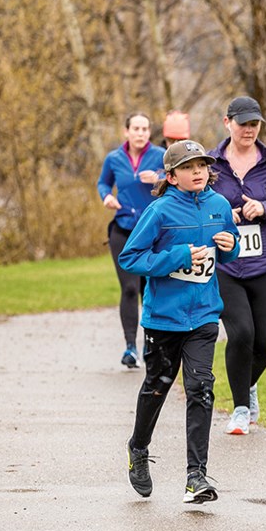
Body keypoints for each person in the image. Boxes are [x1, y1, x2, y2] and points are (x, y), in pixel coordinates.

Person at [119, 140, 240, 503]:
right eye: (189, 167)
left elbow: (231, 250)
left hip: (203, 315)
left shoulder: (219, 205)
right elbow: (131, 257)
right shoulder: (158, 211)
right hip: (164, 319)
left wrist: (229, 244)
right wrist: (176, 256)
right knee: (158, 386)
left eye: (202, 165)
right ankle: (138, 448)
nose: (198, 171)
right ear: (171, 176)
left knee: (201, 387)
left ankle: (195, 477)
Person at [208, 96, 266, 435]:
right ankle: (241, 408)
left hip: (264, 264)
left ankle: (248, 385)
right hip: (227, 266)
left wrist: (265, 209)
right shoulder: (211, 164)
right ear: (227, 122)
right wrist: (222, 217)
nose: (249, 129)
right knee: (241, 334)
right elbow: (197, 204)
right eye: (242, 122)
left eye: (254, 123)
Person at [97, 112, 165, 369]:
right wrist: (106, 197)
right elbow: (103, 183)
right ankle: (130, 348)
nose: (140, 133)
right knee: (129, 288)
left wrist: (159, 178)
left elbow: (176, 182)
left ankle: (150, 346)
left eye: (145, 128)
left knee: (150, 289)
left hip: (152, 232)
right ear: (126, 131)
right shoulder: (114, 158)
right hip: (122, 230)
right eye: (135, 128)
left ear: (149, 132)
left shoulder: (160, 156)